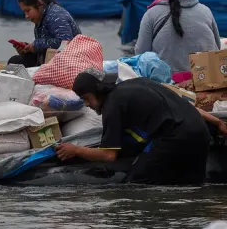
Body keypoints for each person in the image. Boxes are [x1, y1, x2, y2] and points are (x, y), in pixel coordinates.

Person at [55, 69, 213, 185]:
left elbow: (109, 156)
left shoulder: (112, 106)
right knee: (194, 185)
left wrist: (75, 150)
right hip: (200, 130)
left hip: (175, 137)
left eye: (87, 99)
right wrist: (217, 122)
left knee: (135, 182)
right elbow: (183, 103)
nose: (87, 105)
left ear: (98, 91)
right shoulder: (137, 83)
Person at [135, 0, 221, 73]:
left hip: (167, 83)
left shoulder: (151, 14)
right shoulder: (205, 10)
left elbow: (141, 54)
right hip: (205, 78)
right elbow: (217, 46)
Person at [8, 0, 81, 67]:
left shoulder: (56, 15)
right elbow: (46, 45)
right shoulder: (41, 17)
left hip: (71, 63)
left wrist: (35, 45)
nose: (26, 16)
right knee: (15, 62)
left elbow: (65, 42)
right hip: (52, 60)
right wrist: (28, 48)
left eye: (28, 11)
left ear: (40, 4)